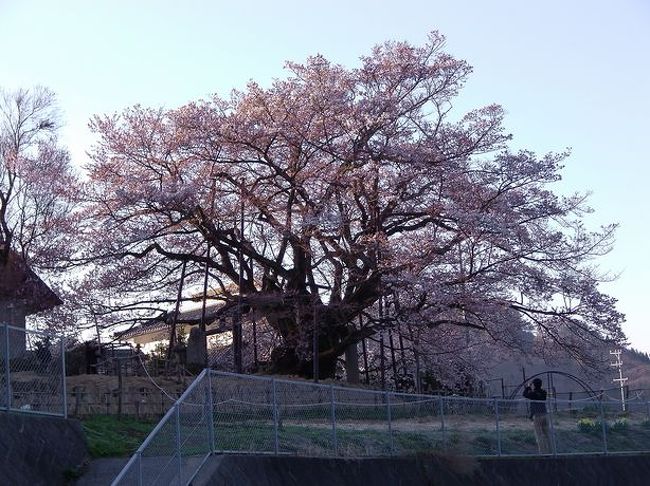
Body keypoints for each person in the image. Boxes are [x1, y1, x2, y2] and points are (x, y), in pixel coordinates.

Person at [523, 378, 552, 453]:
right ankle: (551, 451)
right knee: (547, 435)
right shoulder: (544, 392)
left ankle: (543, 452)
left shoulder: (533, 394)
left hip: (537, 416)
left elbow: (525, 394)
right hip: (545, 415)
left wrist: (528, 387)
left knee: (539, 435)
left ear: (534, 385)